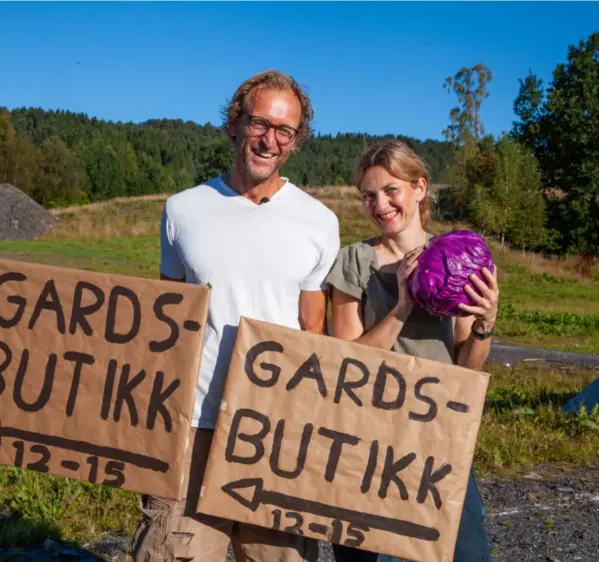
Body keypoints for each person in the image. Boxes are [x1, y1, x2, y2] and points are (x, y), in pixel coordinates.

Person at [131, 70, 340, 562]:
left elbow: (313, 330)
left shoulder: (319, 222)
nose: (270, 140)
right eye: (259, 123)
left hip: (276, 432)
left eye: (284, 130)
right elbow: (168, 320)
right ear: (234, 123)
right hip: (191, 426)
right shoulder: (182, 210)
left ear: (296, 140)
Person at [325, 140, 497, 562]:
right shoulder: (355, 261)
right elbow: (347, 358)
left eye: (391, 190)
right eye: (369, 195)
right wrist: (403, 305)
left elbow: (466, 368)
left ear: (419, 188)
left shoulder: (458, 257)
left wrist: (485, 323)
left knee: (461, 550)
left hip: (438, 430)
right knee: (366, 553)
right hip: (368, 434)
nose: (380, 204)